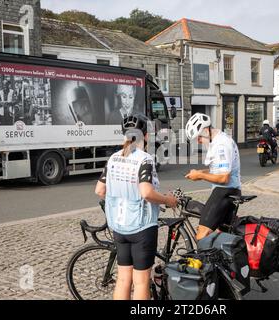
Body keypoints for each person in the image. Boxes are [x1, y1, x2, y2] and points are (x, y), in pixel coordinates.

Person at [94, 114, 177, 300]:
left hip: (119, 226)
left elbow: (100, 190)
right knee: (141, 282)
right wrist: (168, 200)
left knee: (123, 280)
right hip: (141, 227)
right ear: (146, 136)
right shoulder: (145, 159)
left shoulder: (114, 158)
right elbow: (146, 193)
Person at [184, 113, 241, 241]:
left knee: (201, 236)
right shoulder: (216, 141)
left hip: (224, 192)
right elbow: (216, 169)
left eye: (198, 137)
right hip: (226, 191)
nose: (198, 141)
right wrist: (200, 173)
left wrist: (200, 175)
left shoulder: (221, 145)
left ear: (205, 130)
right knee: (223, 235)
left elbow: (223, 178)